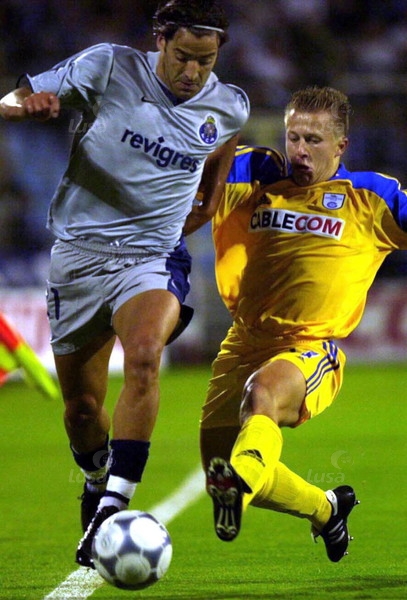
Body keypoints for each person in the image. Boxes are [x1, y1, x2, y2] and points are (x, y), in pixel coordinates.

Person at [0, 0, 249, 568]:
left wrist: (204, 206)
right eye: (183, 56)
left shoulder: (228, 105)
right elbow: (11, 98)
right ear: (160, 39)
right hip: (79, 257)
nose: (192, 72)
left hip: (152, 259)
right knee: (82, 412)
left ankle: (113, 508)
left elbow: (219, 157)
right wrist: (27, 105)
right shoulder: (109, 67)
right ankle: (94, 478)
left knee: (142, 358)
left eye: (206, 61)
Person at [201, 85, 407, 563]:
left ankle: (240, 486)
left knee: (263, 394)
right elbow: (194, 169)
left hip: (309, 348)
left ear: (341, 145)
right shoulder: (258, 175)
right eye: (293, 137)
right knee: (220, 470)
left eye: (313, 140)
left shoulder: (370, 197)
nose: (299, 149)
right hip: (242, 341)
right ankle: (326, 509)